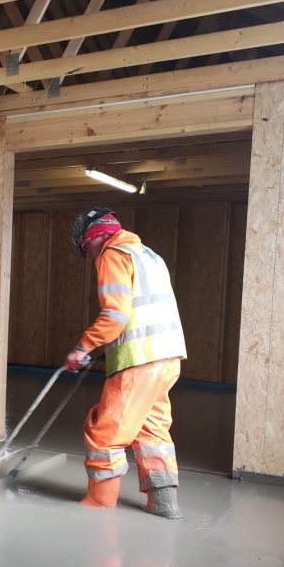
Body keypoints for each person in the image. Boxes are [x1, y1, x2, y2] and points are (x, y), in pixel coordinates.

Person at [63, 208, 187, 519]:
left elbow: (115, 315)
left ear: (95, 238)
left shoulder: (112, 254)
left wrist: (83, 347)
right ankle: (164, 504)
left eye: (89, 249)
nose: (92, 257)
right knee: (152, 430)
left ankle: (100, 502)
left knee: (104, 431)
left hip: (139, 359)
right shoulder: (150, 256)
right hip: (168, 356)